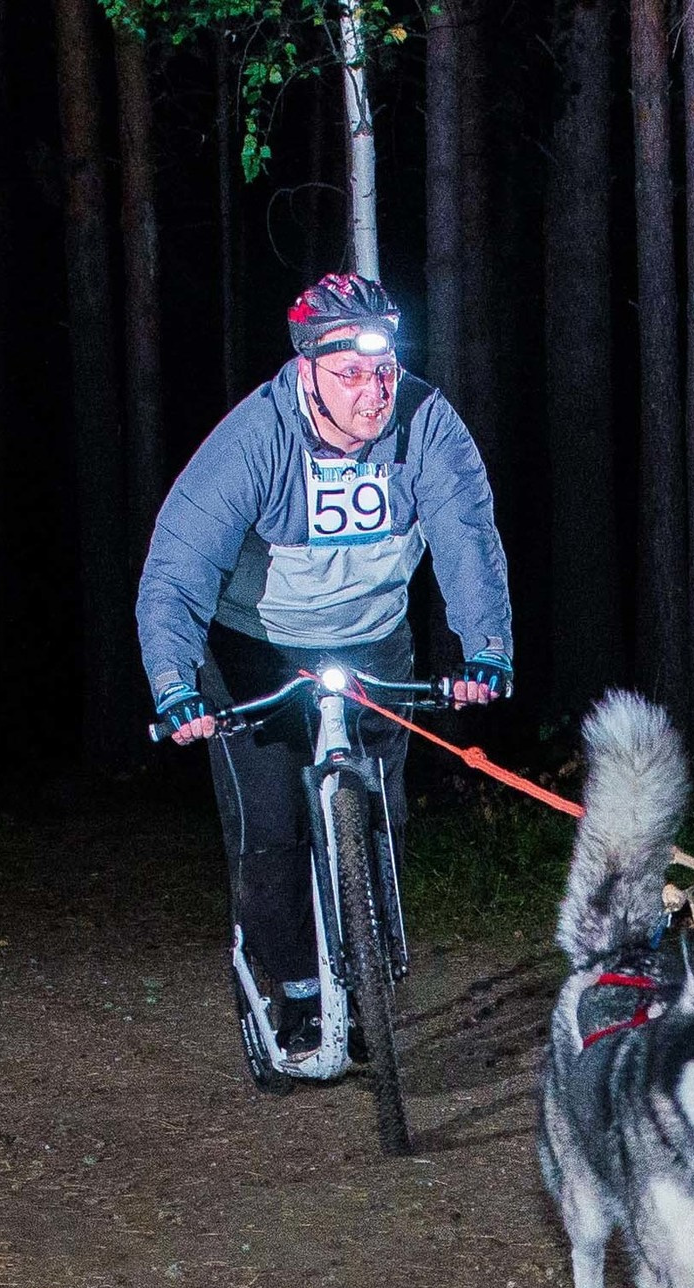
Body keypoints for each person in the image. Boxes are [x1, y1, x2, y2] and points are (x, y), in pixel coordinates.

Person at [135, 274, 512, 1060]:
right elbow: (175, 569)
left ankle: (372, 972)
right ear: (306, 370)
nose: (374, 394)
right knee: (269, 829)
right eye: (351, 375)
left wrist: (486, 650)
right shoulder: (255, 440)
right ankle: (300, 992)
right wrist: (174, 686)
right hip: (255, 644)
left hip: (372, 637)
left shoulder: (426, 426)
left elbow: (467, 537)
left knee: (382, 813)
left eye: (385, 371)